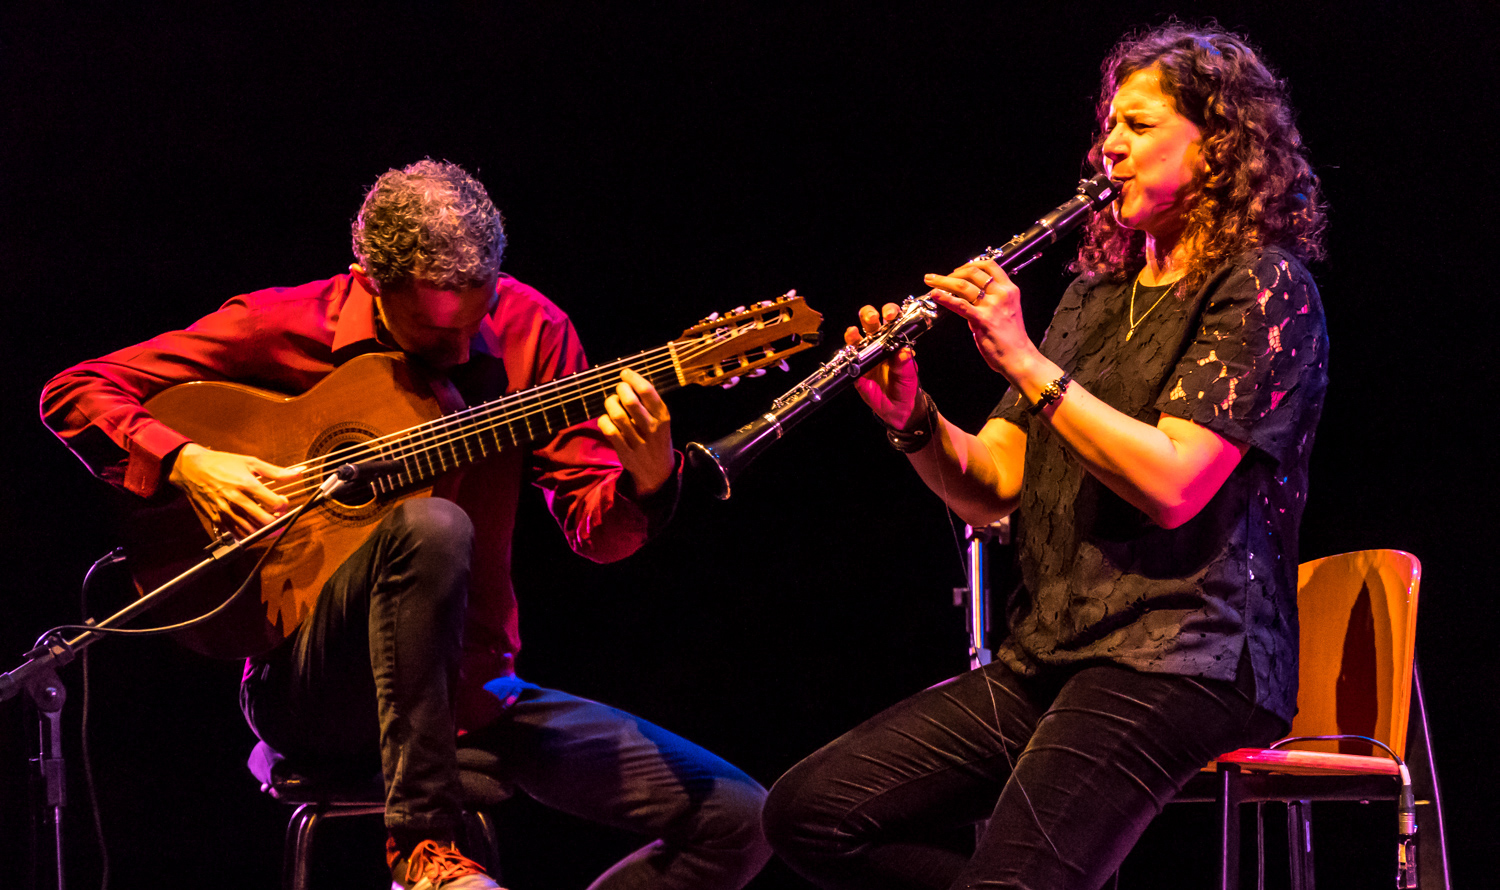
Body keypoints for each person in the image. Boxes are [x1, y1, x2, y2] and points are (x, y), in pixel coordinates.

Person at [41, 160, 770, 890]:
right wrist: (189, 462)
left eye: (474, 313)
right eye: (425, 323)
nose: (455, 344)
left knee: (740, 820)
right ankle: (422, 848)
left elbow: (597, 535)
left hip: (472, 689)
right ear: (369, 277)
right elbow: (74, 391)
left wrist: (649, 479)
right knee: (433, 527)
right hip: (315, 687)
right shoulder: (292, 321)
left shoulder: (533, 331)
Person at [762, 23, 1328, 890]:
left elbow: (1175, 484)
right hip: (1058, 650)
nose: (1110, 146)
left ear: (1219, 144)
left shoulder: (1263, 285)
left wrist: (1025, 360)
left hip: (1189, 655)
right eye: (1108, 126)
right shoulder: (1091, 298)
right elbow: (992, 487)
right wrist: (914, 420)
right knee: (810, 814)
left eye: (1137, 125)